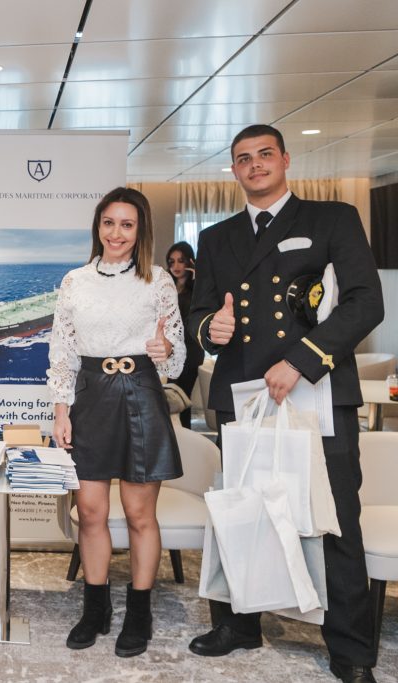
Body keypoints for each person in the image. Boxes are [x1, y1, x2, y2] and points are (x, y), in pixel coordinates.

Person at [187, 124, 383, 683]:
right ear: (233, 170)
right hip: (245, 395)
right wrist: (211, 328)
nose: (255, 165)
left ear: (286, 159)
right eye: (243, 158)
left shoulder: (332, 219)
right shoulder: (217, 237)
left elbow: (366, 303)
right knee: (245, 514)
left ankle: (350, 650)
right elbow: (200, 313)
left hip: (315, 390)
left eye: (264, 154)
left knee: (335, 520)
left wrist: (301, 359)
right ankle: (239, 624)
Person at [47, 187, 184, 658]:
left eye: (127, 224)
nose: (117, 233)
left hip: (141, 394)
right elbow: (62, 352)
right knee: (90, 512)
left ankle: (139, 613)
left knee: (140, 514)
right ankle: (95, 608)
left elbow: (176, 361)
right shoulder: (75, 281)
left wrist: (166, 350)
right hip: (90, 398)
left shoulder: (158, 281)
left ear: (140, 230)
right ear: (98, 227)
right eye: (109, 222)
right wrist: (61, 411)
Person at [165, 241, 204, 427]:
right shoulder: (168, 287)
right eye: (172, 262)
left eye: (181, 261)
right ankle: (174, 434)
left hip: (191, 350)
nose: (176, 266)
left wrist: (198, 277)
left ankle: (183, 433)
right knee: (171, 395)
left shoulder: (197, 288)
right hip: (172, 349)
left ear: (190, 262)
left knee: (183, 397)